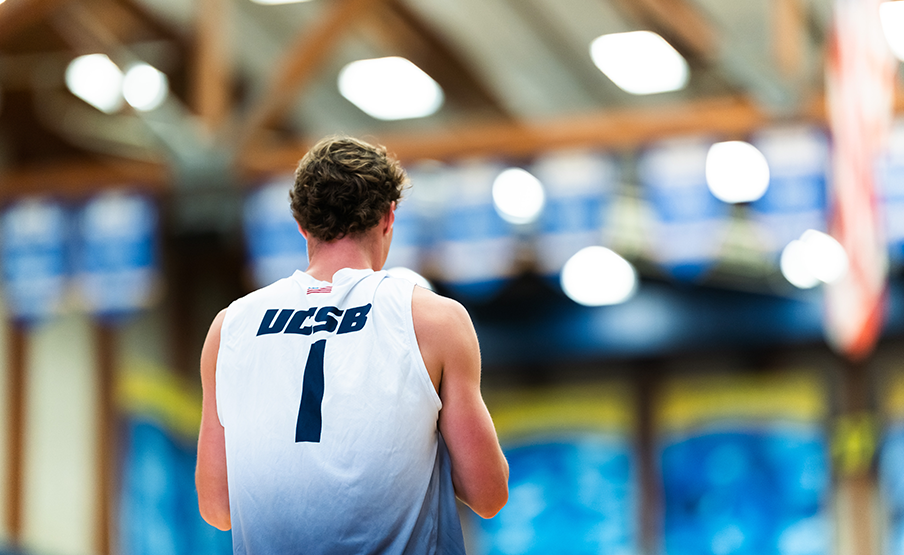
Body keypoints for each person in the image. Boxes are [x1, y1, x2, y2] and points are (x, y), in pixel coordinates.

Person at [196, 136, 509, 553]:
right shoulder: (435, 320)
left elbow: (217, 507)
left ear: (301, 225)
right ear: (387, 218)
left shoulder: (228, 328)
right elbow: (488, 495)